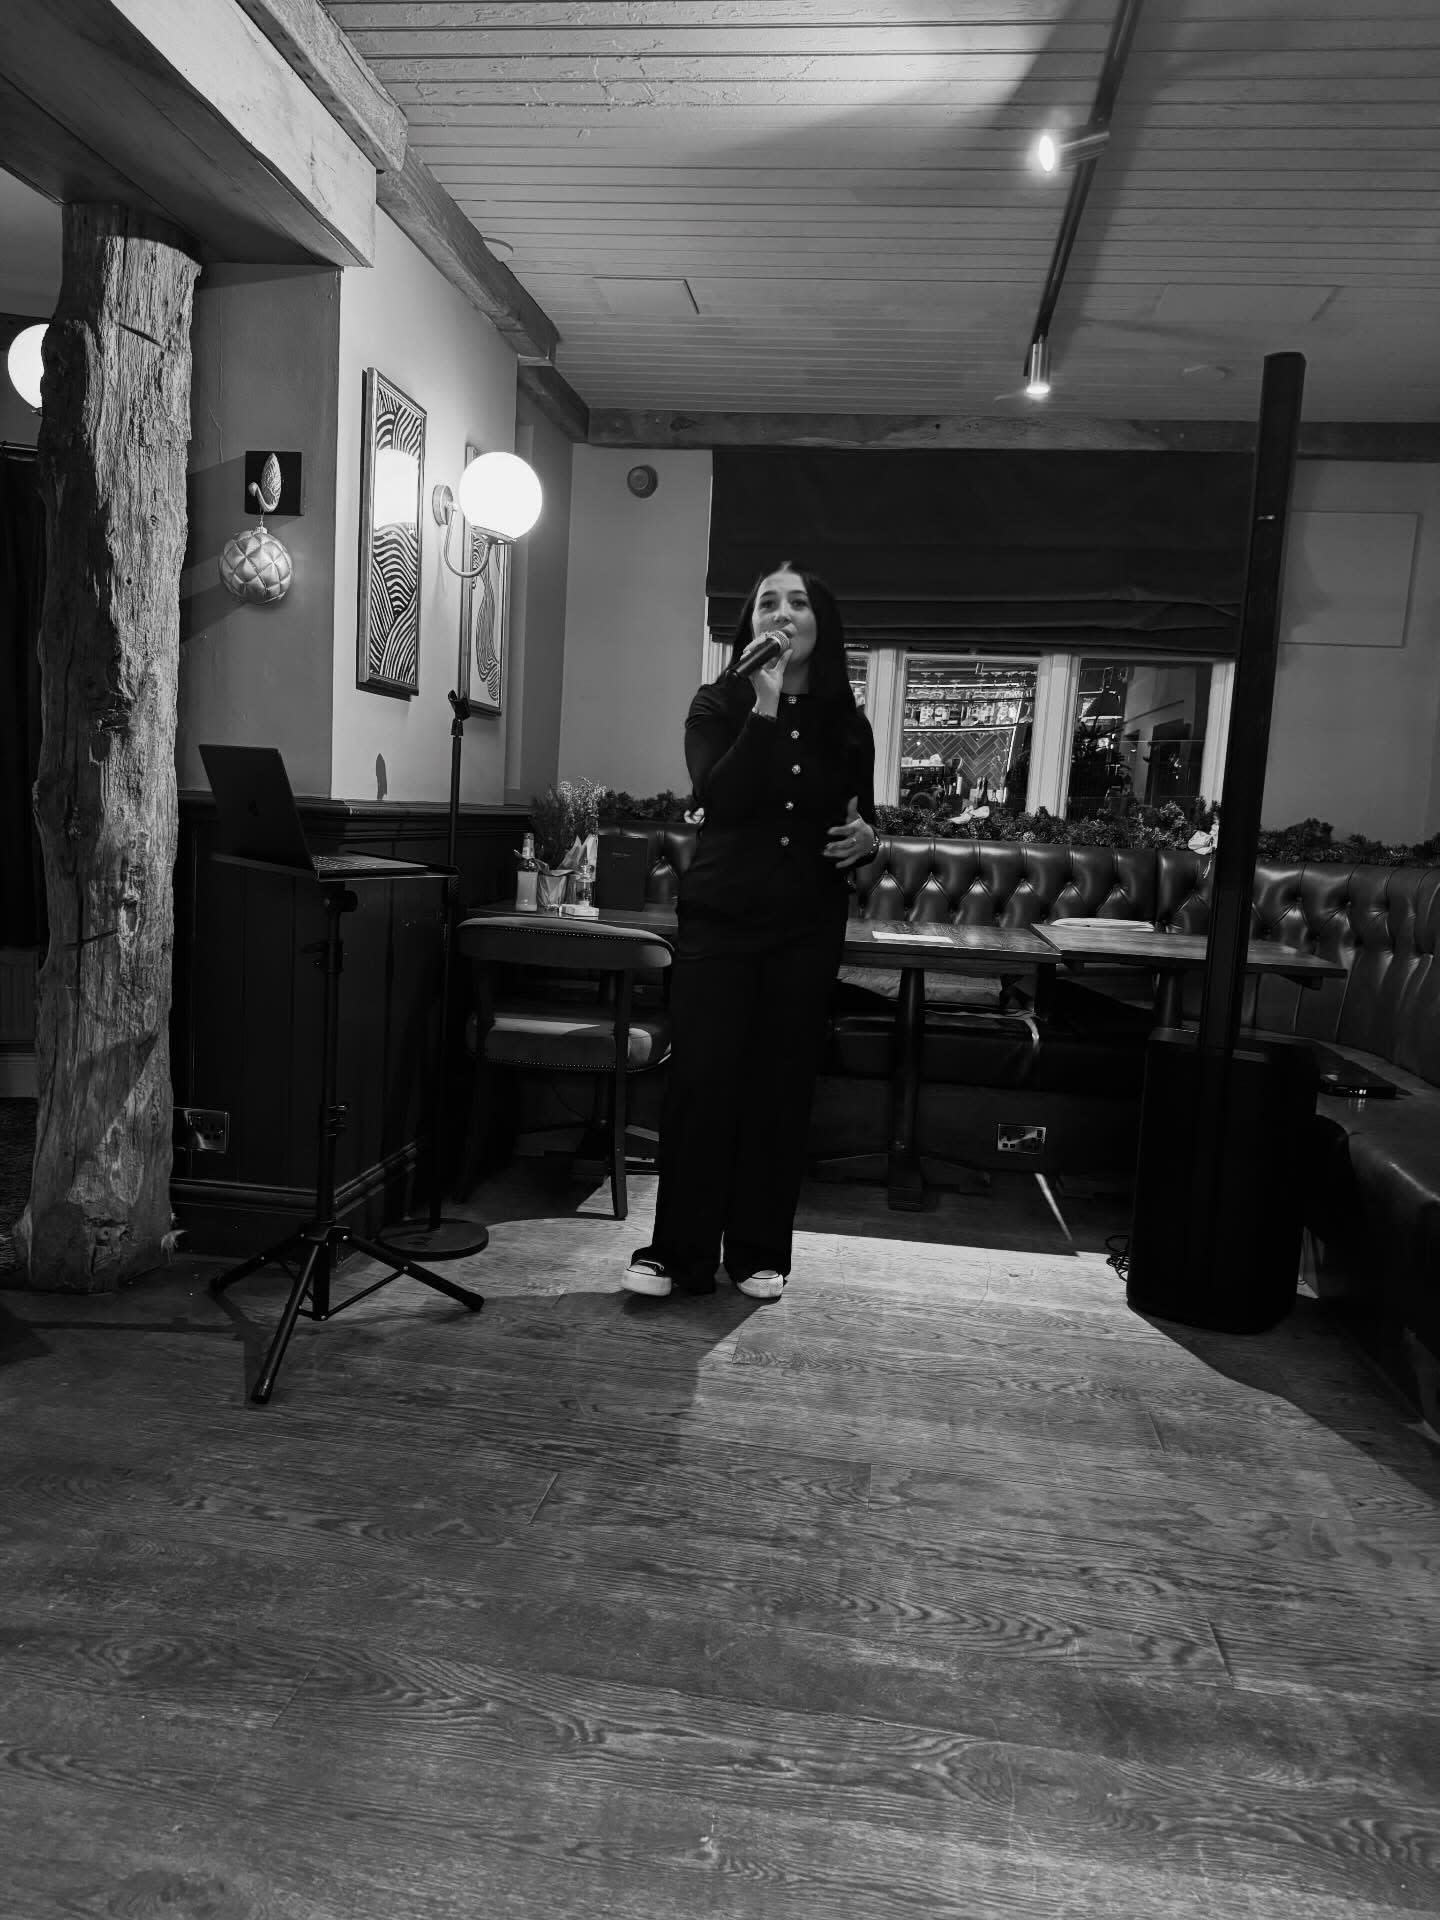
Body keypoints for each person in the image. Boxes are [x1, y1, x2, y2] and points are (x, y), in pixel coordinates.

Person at [623, 563, 879, 1302]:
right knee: (701, 1084)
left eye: (798, 602)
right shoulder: (718, 704)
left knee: (780, 1086)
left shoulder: (847, 722)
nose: (782, 612)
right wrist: (763, 706)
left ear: (821, 625)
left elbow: (859, 818)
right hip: (720, 918)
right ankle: (677, 1254)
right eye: (768, 602)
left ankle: (759, 1251)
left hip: (807, 925)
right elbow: (720, 797)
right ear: (750, 625)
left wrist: (871, 839)